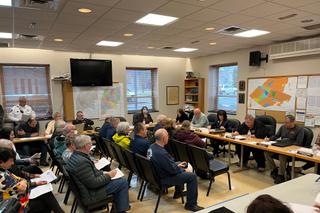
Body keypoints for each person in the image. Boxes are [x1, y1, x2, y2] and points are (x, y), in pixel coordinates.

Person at [66, 135, 129, 212]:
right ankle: (121, 210)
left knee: (118, 180)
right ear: (85, 146)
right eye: (90, 144)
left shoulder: (76, 156)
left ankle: (119, 207)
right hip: (91, 194)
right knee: (122, 183)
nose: (91, 145)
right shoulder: (82, 162)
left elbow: (92, 173)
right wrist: (108, 176)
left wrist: (104, 172)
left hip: (87, 190)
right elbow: (93, 183)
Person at [147, 129, 204, 212]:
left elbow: (167, 164)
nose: (168, 137)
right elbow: (173, 170)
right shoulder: (161, 153)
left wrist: (177, 165)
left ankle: (178, 192)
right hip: (164, 177)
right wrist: (182, 169)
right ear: (163, 139)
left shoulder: (152, 147)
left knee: (180, 163)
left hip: (157, 174)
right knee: (192, 177)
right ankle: (191, 205)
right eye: (167, 136)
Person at [0, 147, 64, 213]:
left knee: (45, 194)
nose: (13, 163)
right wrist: (29, 182)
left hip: (16, 198)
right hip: (13, 205)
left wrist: (33, 183)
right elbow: (22, 187)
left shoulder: (4, 169)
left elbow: (19, 180)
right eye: (10, 161)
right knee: (45, 199)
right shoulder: (2, 176)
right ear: (1, 162)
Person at [265, 115, 304, 184]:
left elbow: (298, 143)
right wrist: (269, 139)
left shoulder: (300, 129)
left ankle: (281, 175)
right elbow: (277, 136)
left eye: (287, 123)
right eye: (285, 122)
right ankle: (274, 169)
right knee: (267, 152)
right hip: (281, 145)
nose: (286, 124)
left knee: (282, 155)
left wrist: (288, 143)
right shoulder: (283, 127)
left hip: (290, 149)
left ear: (293, 122)